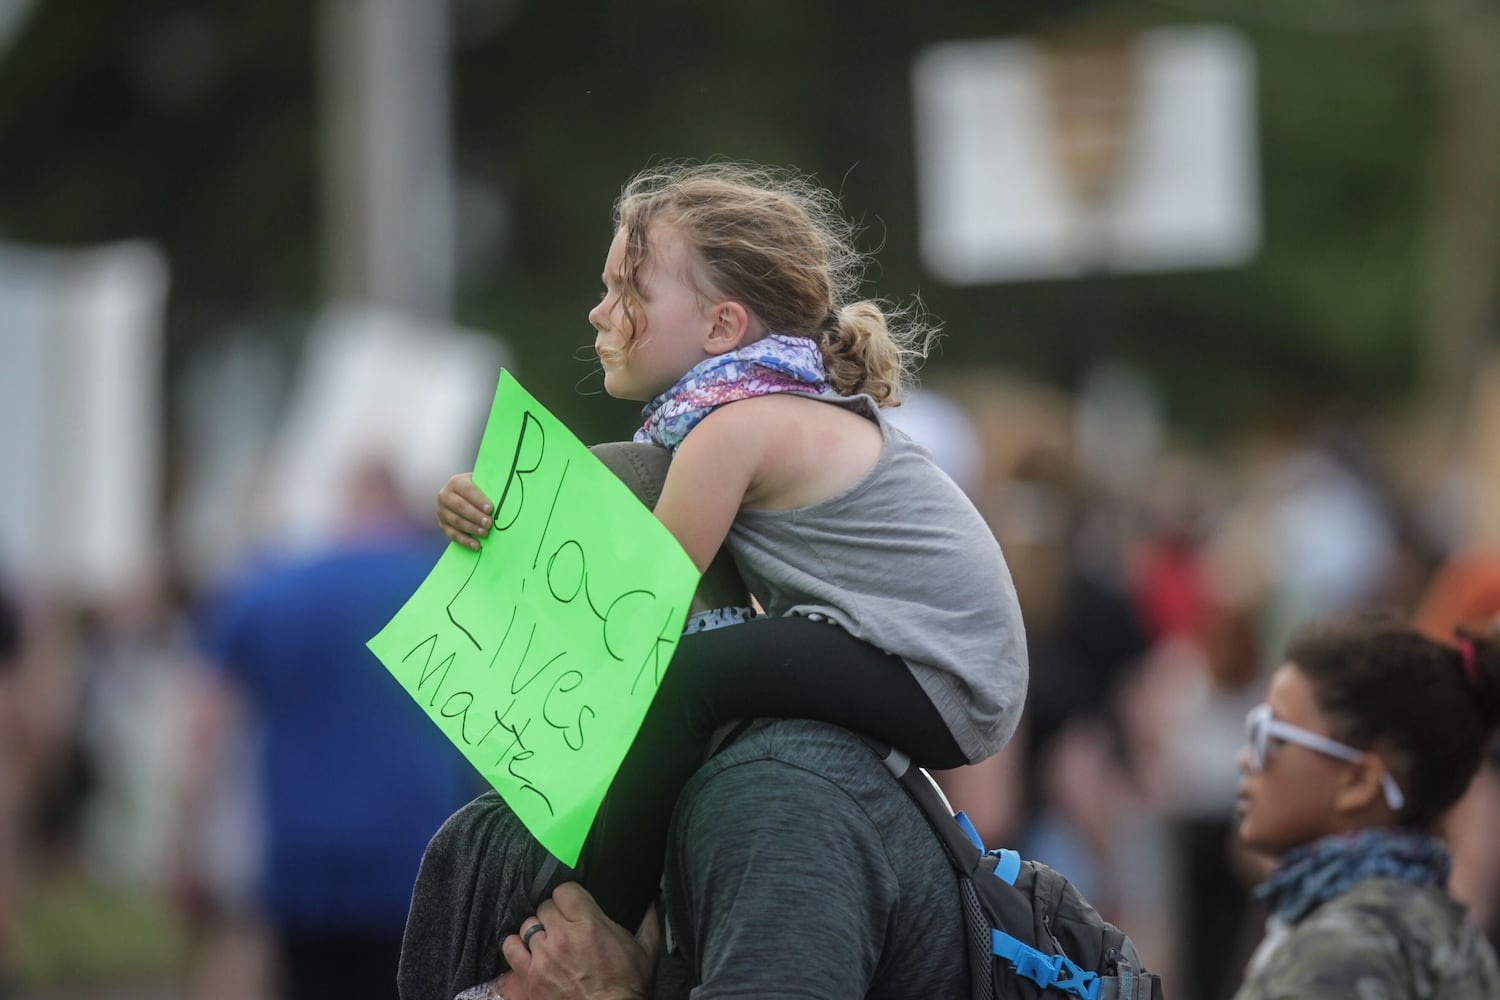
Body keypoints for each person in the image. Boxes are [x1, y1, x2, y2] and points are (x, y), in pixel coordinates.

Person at [436, 160, 1027, 930]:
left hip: (940, 673)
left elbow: (634, 607)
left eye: (629, 294)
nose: (597, 313)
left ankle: (599, 923)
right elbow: (627, 504)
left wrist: (518, 537)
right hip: (917, 653)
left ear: (722, 326)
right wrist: (489, 504)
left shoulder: (734, 428)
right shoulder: (743, 413)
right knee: (643, 490)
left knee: (686, 683)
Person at [402, 442, 972, 999]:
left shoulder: (774, 798)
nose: (520, 676)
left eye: (542, 634)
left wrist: (604, 992)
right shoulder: (631, 798)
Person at [184, 460, 479, 1000]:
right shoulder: (448, 582)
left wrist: (184, 847)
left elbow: (205, 724)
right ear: (403, 502)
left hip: (303, 870)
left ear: (346, 503)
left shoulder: (273, 589)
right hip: (422, 868)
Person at [1232, 611, 1500, 999]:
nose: (1247, 759)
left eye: (1273, 736)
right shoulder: (1448, 931)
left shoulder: (1339, 954)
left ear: (1358, 781)